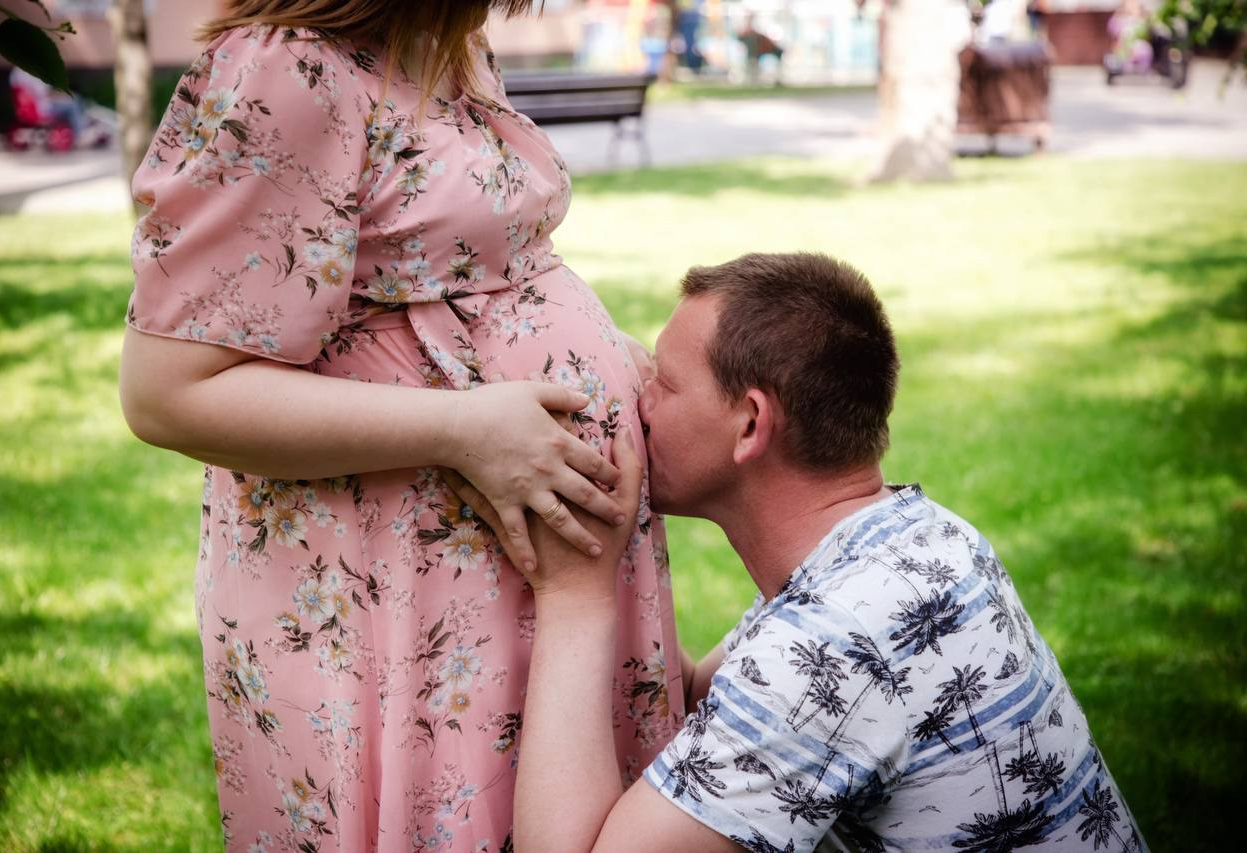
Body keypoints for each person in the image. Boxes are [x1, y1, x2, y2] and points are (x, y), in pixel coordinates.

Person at [117, 1, 684, 849]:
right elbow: (168, 390)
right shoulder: (286, 68)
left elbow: (455, 276)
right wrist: (464, 429)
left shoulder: (447, 43)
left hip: (533, 563)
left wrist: (603, 353)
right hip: (397, 584)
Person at [455, 252, 1147, 851]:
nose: (636, 399)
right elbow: (708, 706)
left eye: (662, 381)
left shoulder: (827, 648)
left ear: (750, 422)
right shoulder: (924, 536)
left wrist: (576, 596)